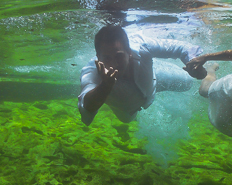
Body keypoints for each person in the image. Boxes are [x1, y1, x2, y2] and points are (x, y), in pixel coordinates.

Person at [78, 26, 207, 126]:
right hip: (126, 111)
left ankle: (211, 72)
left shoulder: (141, 46)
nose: (113, 64)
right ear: (98, 56)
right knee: (127, 121)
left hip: (155, 79)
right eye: (107, 58)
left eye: (118, 56)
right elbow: (86, 105)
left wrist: (193, 65)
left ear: (128, 52)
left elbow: (181, 48)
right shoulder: (91, 70)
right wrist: (105, 86)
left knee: (188, 83)